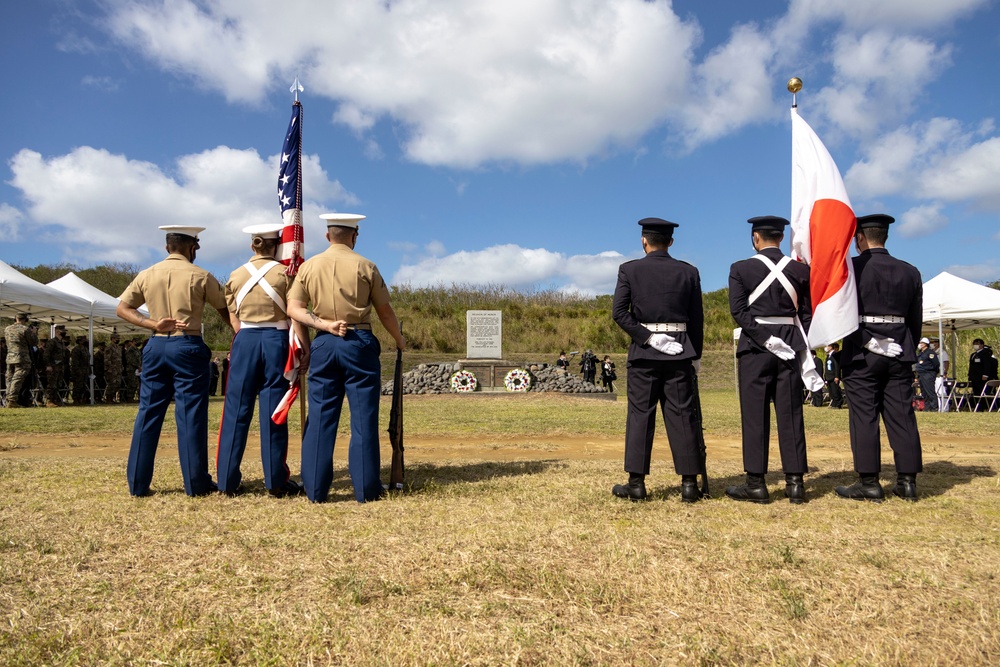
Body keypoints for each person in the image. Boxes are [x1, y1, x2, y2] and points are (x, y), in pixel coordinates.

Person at [287, 213, 405, 503]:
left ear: (328, 236)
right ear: (354, 236)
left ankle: (315, 491)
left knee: (320, 419)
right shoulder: (366, 265)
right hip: (359, 341)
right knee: (363, 419)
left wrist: (319, 326)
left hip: (325, 342)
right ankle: (366, 490)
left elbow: (294, 308)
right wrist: (399, 340)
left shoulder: (308, 266)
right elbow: (384, 311)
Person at [116, 225, 232, 497]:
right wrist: (239, 334)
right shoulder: (201, 275)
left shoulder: (147, 274)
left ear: (167, 247)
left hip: (156, 344)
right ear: (193, 247)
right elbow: (225, 308)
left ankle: (137, 484)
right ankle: (196, 484)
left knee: (148, 413)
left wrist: (153, 323)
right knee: (190, 415)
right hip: (187, 345)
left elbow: (122, 308)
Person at [610, 217, 705, 502]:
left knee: (640, 415)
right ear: (671, 242)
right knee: (682, 415)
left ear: (644, 240)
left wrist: (648, 338)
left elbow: (620, 313)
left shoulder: (629, 270)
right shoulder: (688, 271)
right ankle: (689, 484)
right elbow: (697, 319)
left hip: (644, 354)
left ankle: (636, 483)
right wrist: (696, 355)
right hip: (680, 351)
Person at [727, 216, 819, 504]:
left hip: (755, 347)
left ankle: (756, 483)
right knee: (791, 414)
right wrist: (798, 343)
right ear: (781, 237)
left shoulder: (740, 268)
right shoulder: (800, 270)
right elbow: (806, 313)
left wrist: (765, 339)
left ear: (756, 238)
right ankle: (795, 484)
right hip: (791, 347)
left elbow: (739, 312)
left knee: (755, 416)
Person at [216, 223, 311, 498]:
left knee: (235, 411)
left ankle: (226, 481)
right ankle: (276, 481)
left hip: (245, 339)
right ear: (276, 246)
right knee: (274, 410)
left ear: (252, 246)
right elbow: (295, 312)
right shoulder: (285, 273)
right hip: (276, 341)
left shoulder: (234, 275)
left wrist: (243, 334)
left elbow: (232, 313)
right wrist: (304, 348)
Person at [837, 214, 923, 502]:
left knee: (864, 416)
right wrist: (904, 346)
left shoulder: (850, 268)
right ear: (885, 237)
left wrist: (867, 341)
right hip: (900, 349)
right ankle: (907, 481)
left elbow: (843, 315)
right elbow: (915, 320)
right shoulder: (910, 271)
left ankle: (869, 482)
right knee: (902, 416)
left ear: (859, 238)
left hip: (862, 352)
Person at [4, 313, 36, 408]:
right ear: (25, 320)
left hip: (10, 357)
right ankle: (12, 400)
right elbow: (33, 342)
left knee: (9, 378)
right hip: (22, 357)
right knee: (17, 379)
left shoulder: (7, 329)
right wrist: (33, 333)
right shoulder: (25, 329)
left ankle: (8, 399)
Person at [968, 338, 998, 410]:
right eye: (974, 344)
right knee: (976, 392)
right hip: (974, 377)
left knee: (982, 392)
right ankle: (977, 406)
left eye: (977, 344)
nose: (975, 346)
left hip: (981, 377)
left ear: (982, 345)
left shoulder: (985, 353)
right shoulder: (973, 354)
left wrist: (985, 375)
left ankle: (984, 406)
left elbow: (987, 365)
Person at [43, 325, 68, 407]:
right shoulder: (52, 342)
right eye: (62, 331)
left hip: (60, 366)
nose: (64, 332)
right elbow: (46, 354)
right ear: (57, 331)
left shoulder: (62, 342)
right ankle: (49, 400)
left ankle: (55, 400)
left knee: (58, 384)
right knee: (51, 384)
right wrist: (48, 365)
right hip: (53, 366)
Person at [915, 337, 939, 412]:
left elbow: (936, 364)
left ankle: (934, 407)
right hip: (921, 374)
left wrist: (932, 372)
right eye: (920, 343)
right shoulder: (920, 353)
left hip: (928, 374)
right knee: (924, 392)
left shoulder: (930, 353)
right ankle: (927, 407)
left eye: (922, 343)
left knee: (930, 391)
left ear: (926, 344)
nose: (920, 344)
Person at [70, 335, 90, 404]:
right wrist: (77, 371)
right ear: (80, 341)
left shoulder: (85, 349)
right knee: (77, 386)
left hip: (85, 370)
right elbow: (75, 362)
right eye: (84, 340)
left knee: (83, 386)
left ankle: (81, 398)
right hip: (78, 371)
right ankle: (76, 399)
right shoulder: (76, 349)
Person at [824, 342, 844, 409]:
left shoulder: (835, 354)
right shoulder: (828, 356)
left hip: (834, 377)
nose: (826, 348)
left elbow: (836, 366)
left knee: (835, 391)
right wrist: (825, 377)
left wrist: (837, 376)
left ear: (831, 347)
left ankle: (838, 403)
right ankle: (834, 403)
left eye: (827, 346)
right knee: (831, 392)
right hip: (828, 377)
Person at [105, 334, 123, 403]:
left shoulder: (118, 348)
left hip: (117, 368)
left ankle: (113, 397)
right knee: (111, 384)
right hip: (112, 369)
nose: (118, 340)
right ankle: (108, 398)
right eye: (116, 338)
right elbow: (107, 359)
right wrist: (109, 368)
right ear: (112, 339)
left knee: (117, 384)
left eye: (118, 338)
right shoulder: (109, 348)